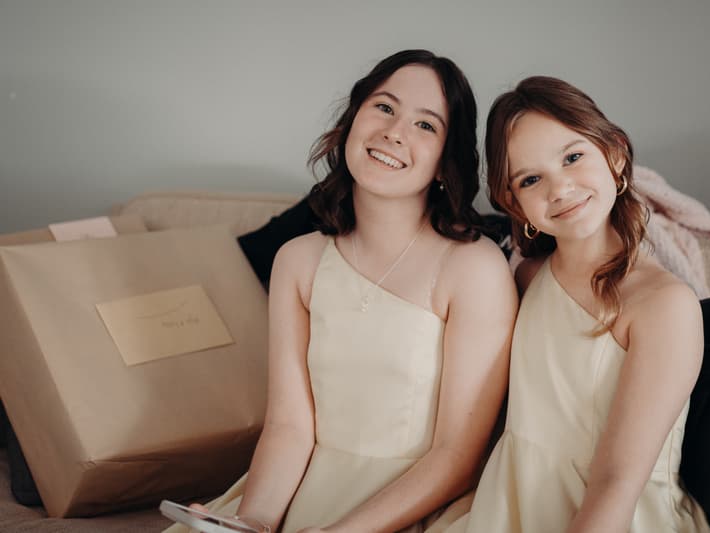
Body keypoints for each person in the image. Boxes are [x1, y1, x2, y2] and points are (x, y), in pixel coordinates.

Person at [164, 49, 517, 533]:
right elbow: (289, 427)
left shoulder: (475, 268)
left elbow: (457, 457)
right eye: (385, 107)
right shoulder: (299, 259)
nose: (395, 131)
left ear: (444, 164)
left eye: (426, 125)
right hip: (306, 491)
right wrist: (257, 521)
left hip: (414, 506)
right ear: (353, 119)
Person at [441, 76, 710, 532]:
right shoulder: (525, 278)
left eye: (572, 157)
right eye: (531, 179)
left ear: (616, 154)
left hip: (611, 513)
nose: (560, 189)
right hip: (508, 503)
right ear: (514, 202)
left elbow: (617, 481)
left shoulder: (663, 305)